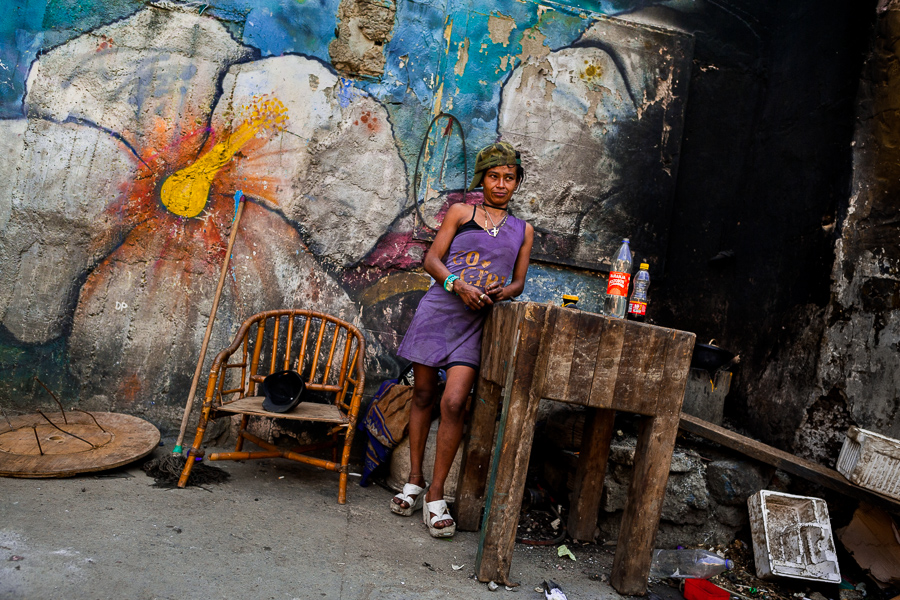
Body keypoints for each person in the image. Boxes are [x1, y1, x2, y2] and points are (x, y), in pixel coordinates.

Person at [391, 141, 534, 538]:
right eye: (494, 176)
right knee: (422, 394)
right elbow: (431, 261)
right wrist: (458, 284)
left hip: (477, 321)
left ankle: (436, 496)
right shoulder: (461, 212)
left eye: (509, 177)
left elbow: (519, 281)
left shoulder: (524, 231)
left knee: (454, 402)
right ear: (482, 179)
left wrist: (501, 294)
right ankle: (414, 481)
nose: (501, 184)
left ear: (516, 182)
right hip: (439, 311)